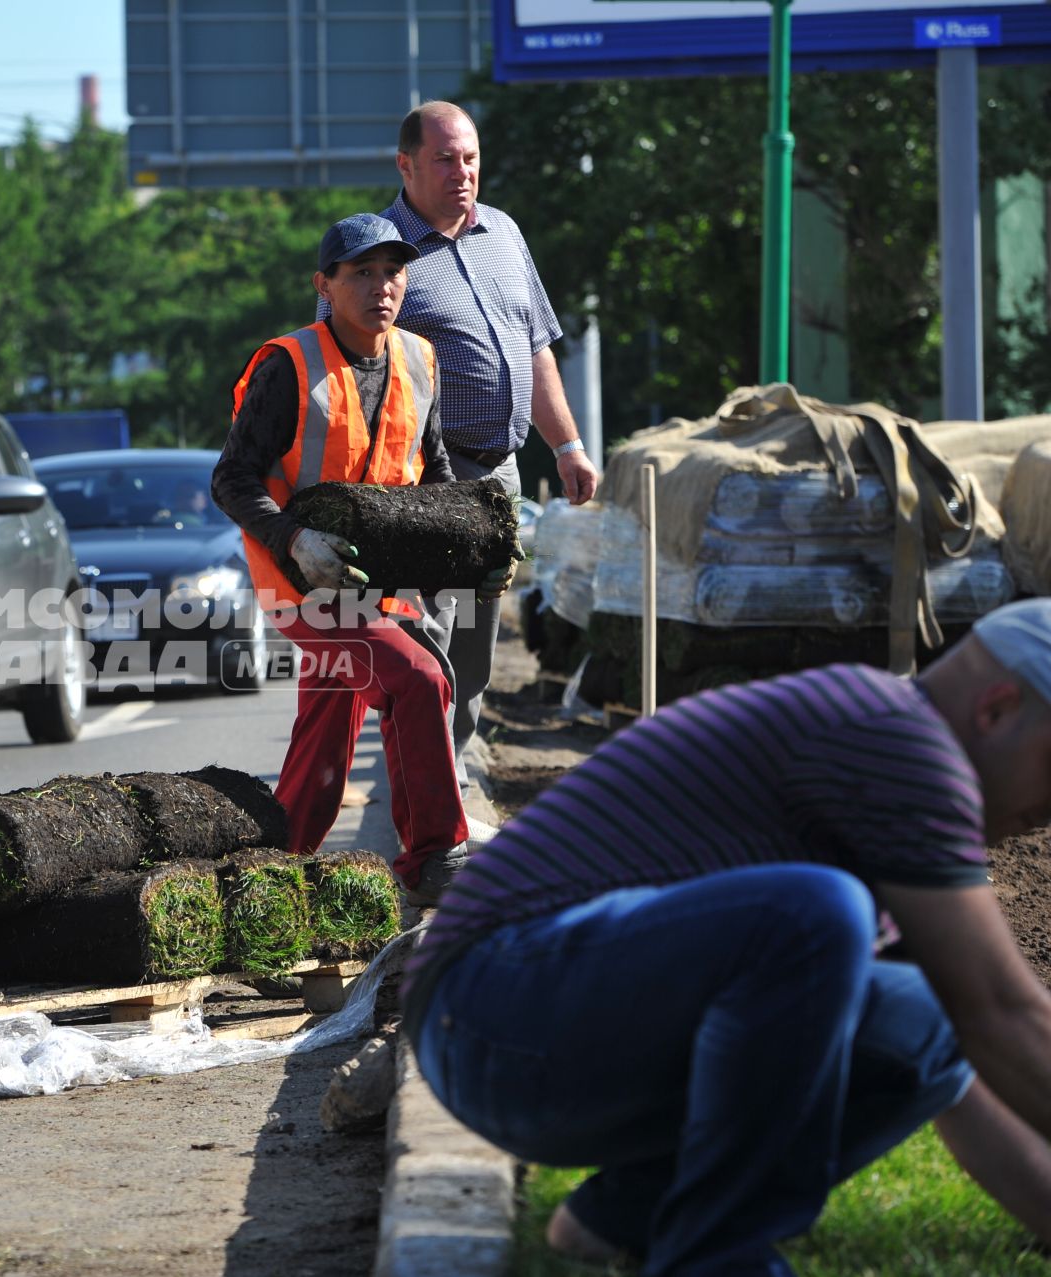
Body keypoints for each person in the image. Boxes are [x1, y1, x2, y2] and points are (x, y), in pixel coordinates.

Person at [407, 598, 1051, 1275]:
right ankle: (717, 1258)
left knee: (922, 1020)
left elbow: (963, 1062)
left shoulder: (894, 753)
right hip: (487, 1001)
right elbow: (1004, 1010)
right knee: (815, 913)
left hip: (512, 1027)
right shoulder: (902, 739)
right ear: (998, 707)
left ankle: (621, 1220)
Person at [212, 213, 508, 902]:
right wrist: (294, 539)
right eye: (363, 273)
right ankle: (436, 856)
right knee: (417, 675)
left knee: (327, 729)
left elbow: (434, 481)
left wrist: (475, 552)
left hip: (382, 584)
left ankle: (273, 873)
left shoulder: (418, 358)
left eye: (394, 271)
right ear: (325, 284)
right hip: (303, 581)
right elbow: (231, 478)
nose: (383, 286)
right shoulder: (288, 364)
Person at [335, 101, 601, 789]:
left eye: (471, 158)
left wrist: (567, 444)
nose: (463, 173)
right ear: (406, 165)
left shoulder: (503, 233)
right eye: (446, 159)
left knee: (478, 652)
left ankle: (449, 779)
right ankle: (421, 801)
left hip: (501, 478)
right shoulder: (380, 250)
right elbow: (348, 369)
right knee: (431, 646)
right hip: (426, 483)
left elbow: (535, 350)